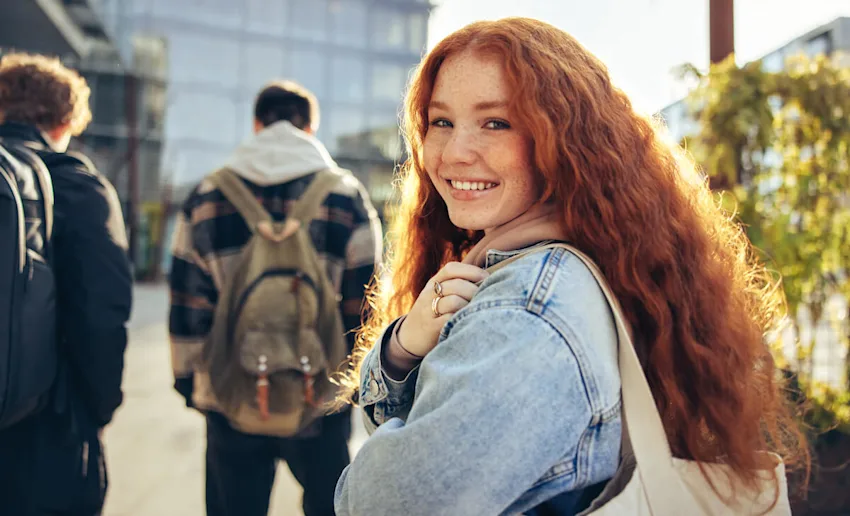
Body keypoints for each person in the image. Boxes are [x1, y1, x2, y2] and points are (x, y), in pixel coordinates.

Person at [333, 17, 807, 516]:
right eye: (441, 122)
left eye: (496, 122)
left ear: (563, 139)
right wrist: (405, 346)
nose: (454, 152)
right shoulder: (611, 259)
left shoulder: (529, 307)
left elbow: (381, 504)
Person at [168, 80, 382, 516]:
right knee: (330, 504)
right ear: (311, 126)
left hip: (231, 392)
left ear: (256, 123)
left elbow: (188, 299)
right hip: (319, 392)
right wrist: (354, 385)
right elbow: (366, 304)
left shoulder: (209, 194)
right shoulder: (345, 195)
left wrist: (192, 381)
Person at [0, 52, 133, 515]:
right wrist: (96, 410)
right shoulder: (77, 188)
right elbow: (103, 315)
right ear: (65, 122)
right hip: (48, 432)